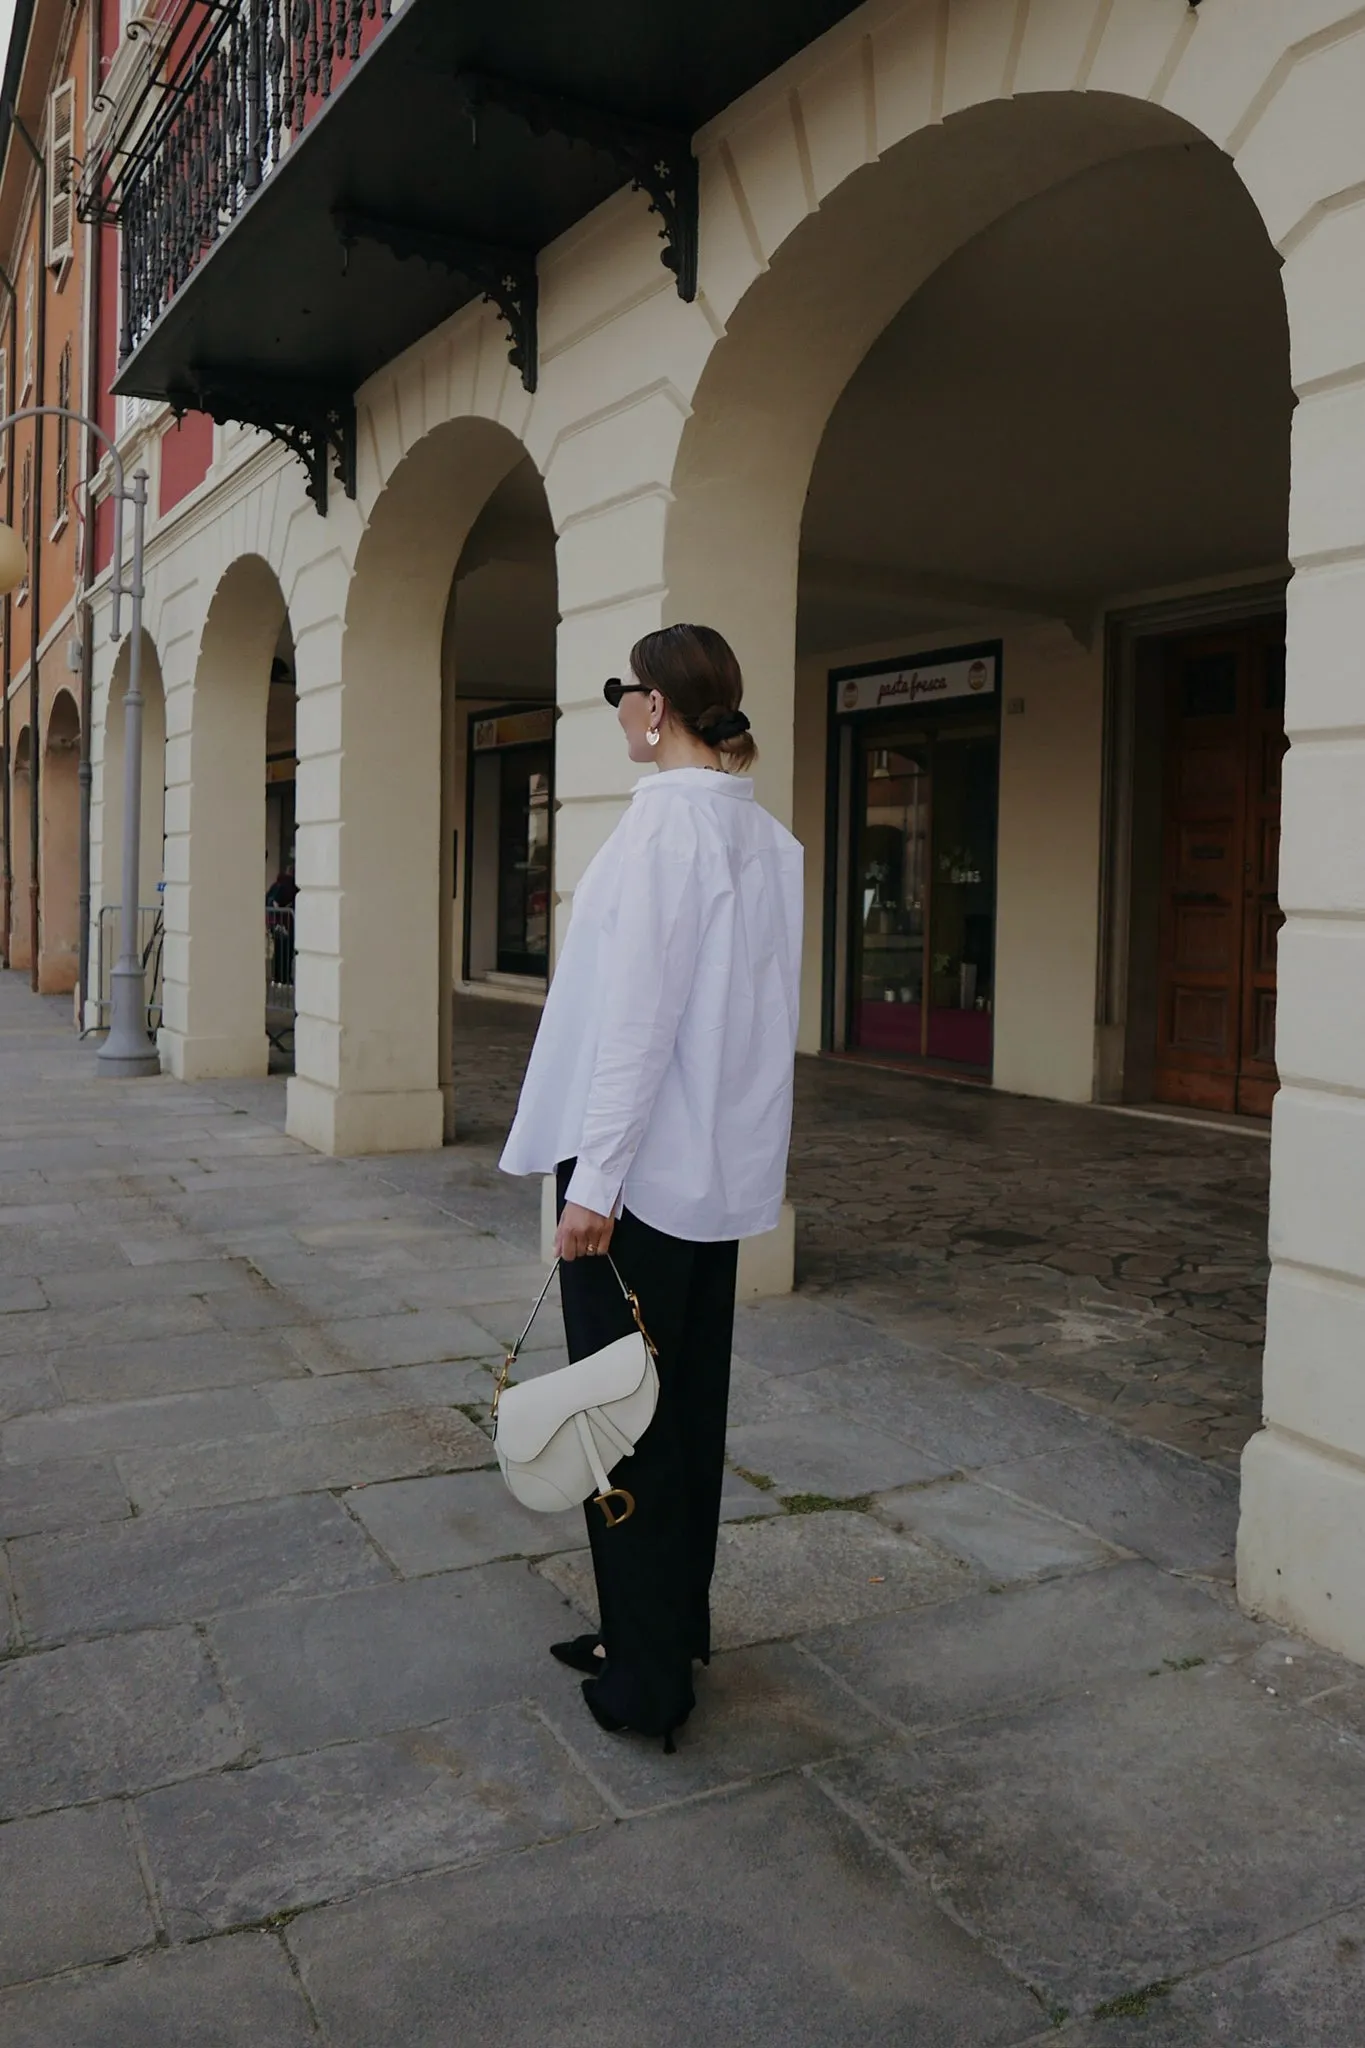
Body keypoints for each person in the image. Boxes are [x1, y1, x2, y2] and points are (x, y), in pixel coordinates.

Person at [500, 623, 803, 1749]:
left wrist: (597, 1187)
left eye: (622, 690)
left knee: (619, 1420)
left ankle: (646, 1681)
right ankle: (661, 1628)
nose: (618, 706)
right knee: (684, 1410)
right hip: (709, 1178)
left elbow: (634, 1031)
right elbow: (755, 1030)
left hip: (630, 1180)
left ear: (655, 706)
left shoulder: (660, 834)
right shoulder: (767, 841)